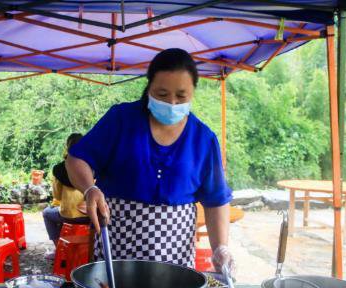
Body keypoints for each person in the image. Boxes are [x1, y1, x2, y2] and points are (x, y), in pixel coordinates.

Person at [66, 48, 235, 274]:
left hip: (175, 261)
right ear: (149, 88)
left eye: (181, 95)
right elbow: (77, 159)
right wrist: (89, 188)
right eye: (162, 94)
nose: (172, 103)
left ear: (193, 92)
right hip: (117, 253)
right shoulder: (120, 120)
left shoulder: (203, 139)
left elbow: (216, 200)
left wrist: (220, 248)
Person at [42, 133, 89, 255]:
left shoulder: (59, 169)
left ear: (67, 147)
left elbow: (57, 196)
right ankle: (93, 248)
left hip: (68, 215)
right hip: (91, 216)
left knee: (47, 213)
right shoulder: (92, 165)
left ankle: (59, 250)